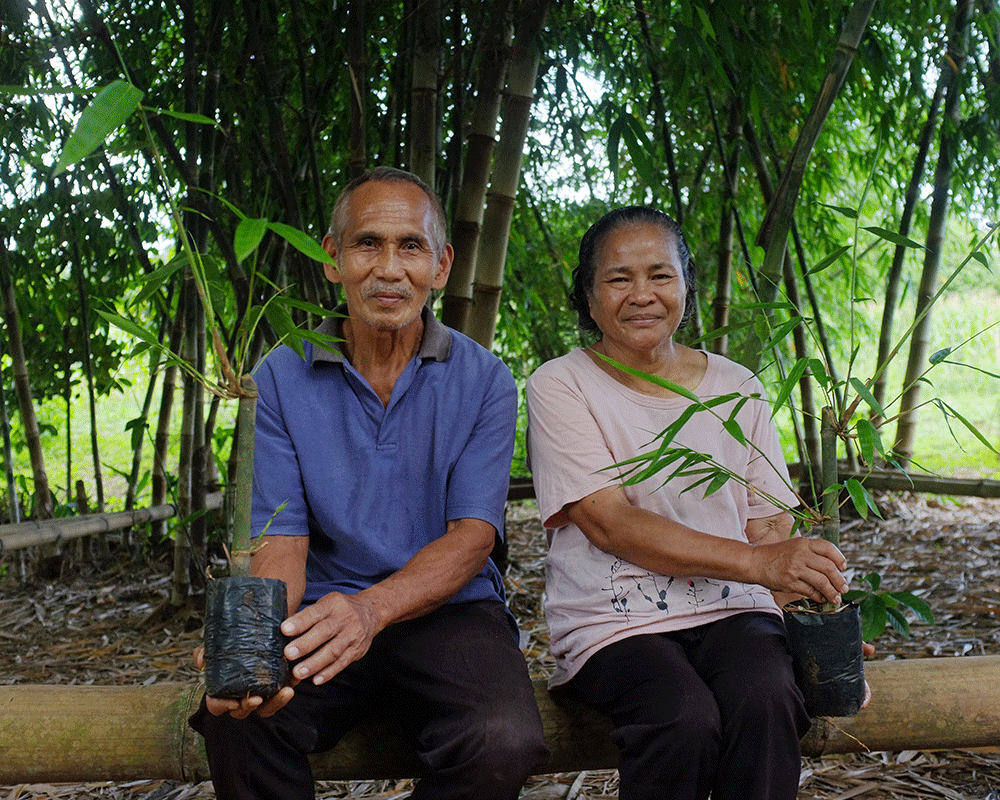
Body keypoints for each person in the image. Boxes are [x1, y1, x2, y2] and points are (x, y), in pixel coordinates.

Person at [190, 167, 548, 800]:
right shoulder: (278, 377)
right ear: (332, 258)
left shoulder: (486, 380)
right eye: (367, 244)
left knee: (503, 739)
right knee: (244, 720)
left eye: (410, 247)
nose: (389, 268)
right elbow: (280, 545)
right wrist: (247, 639)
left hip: (447, 609)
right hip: (321, 607)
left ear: (441, 266)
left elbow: (472, 538)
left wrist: (372, 610)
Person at [525, 205, 860, 800]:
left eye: (661, 275)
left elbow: (767, 524)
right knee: (681, 717)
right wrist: (760, 566)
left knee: (769, 698)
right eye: (618, 278)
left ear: (687, 285)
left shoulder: (738, 387)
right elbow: (609, 522)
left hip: (735, 612)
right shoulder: (562, 384)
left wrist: (817, 621)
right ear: (588, 293)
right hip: (615, 621)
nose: (642, 295)